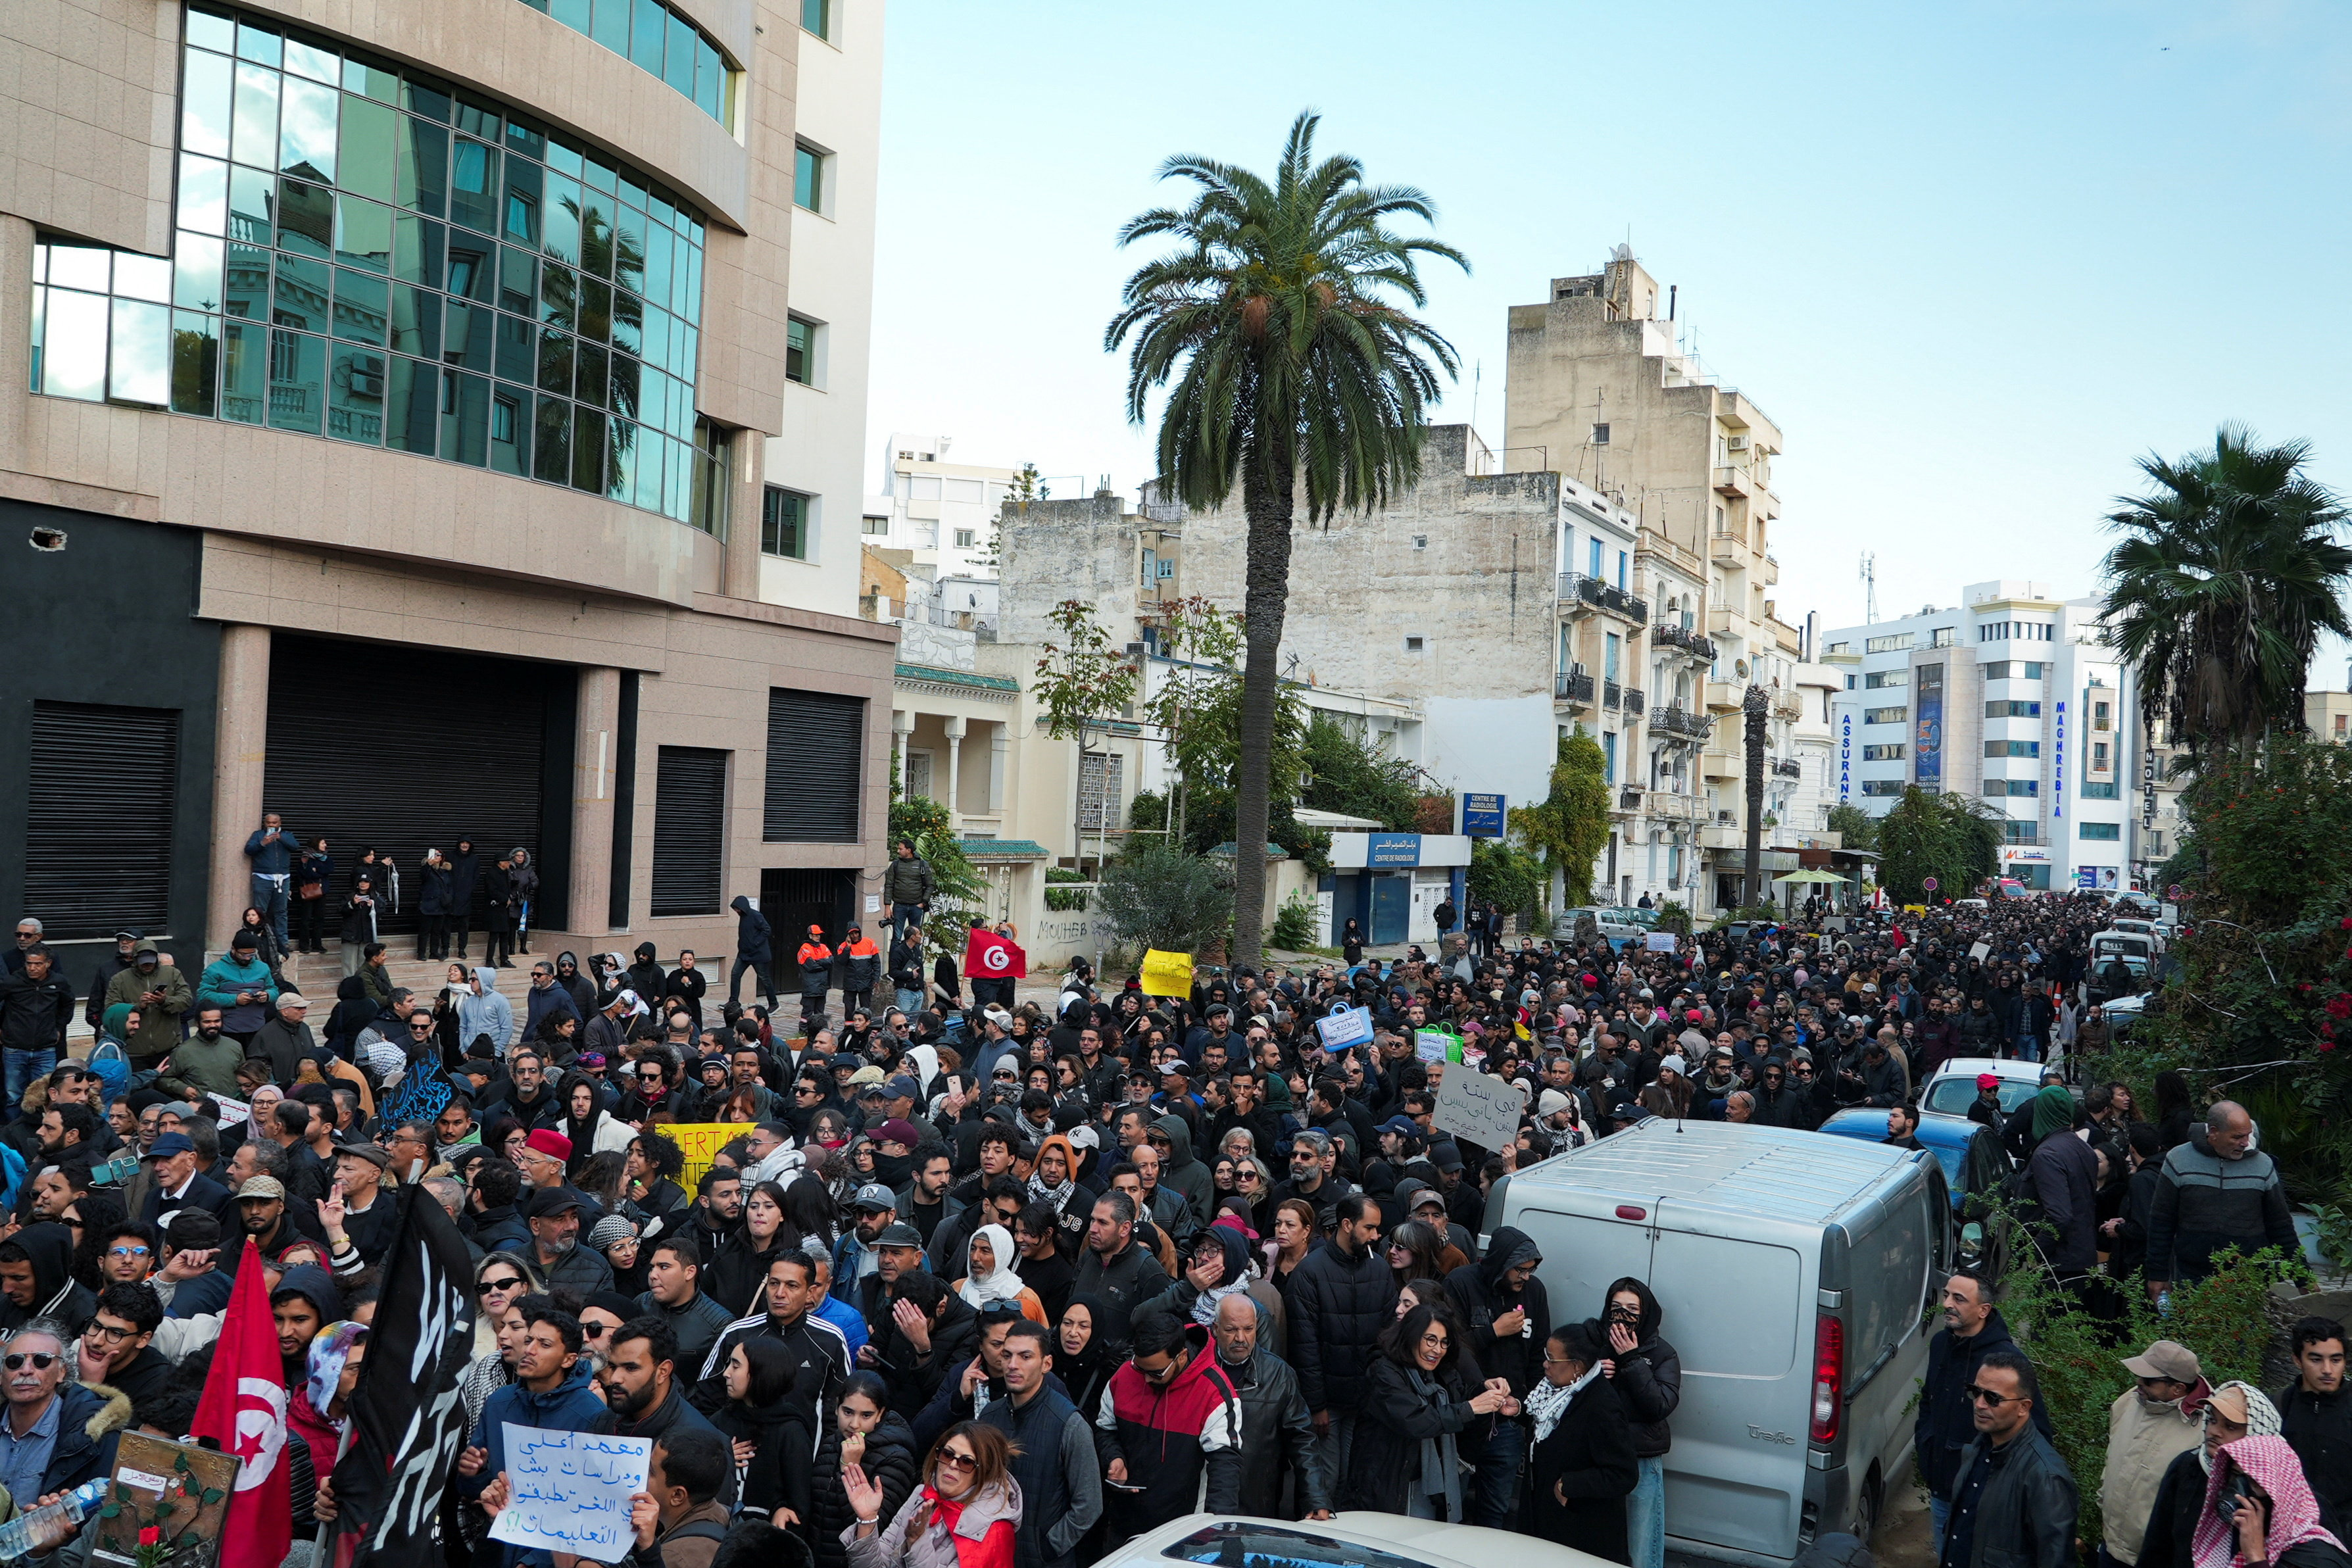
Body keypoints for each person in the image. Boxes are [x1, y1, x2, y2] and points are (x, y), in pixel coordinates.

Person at [1341, 1300, 1516, 1521]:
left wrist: (1487, 1392)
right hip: (1387, 1484)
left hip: (1428, 1484)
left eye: (1444, 1343)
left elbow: (1459, 1403)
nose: (1438, 1350)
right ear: (1411, 1337)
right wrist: (1472, 1407)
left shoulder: (1440, 1371)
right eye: (1431, 1340)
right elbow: (1415, 1420)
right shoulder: (1383, 1371)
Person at [1919, 1270, 2049, 1552]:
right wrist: (1926, 1442)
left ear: (1983, 1310)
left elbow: (2038, 1433)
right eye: (1946, 1295)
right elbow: (1928, 1400)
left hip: (1984, 1500)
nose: (1947, 1304)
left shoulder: (2008, 1363)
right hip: (1943, 1490)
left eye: (1959, 1298)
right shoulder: (1941, 1344)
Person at [1092, 1308, 1242, 1541]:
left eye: (1157, 1373)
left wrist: (1216, 1534)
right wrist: (1114, 1457)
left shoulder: (1214, 1393)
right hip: (1123, 1522)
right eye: (1141, 1369)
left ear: (1181, 1357)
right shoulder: (1125, 1375)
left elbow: (1225, 1470)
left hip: (1181, 1530)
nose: (1147, 1379)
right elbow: (1105, 1429)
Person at [1287, 1192, 1395, 1490]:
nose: (1376, 1235)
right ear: (1347, 1225)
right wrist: (1317, 1404)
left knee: (1353, 1479)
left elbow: (1388, 1334)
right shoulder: (1310, 1274)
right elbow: (1304, 1346)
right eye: (1369, 1228)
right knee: (1325, 1481)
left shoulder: (1380, 1269)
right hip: (1328, 1404)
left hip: (1365, 1401)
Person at [1444, 1223, 1547, 1527]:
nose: (1526, 1277)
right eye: (1520, 1270)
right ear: (1501, 1263)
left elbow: (1539, 1353)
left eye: (1531, 1270)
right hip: (1462, 1418)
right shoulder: (1460, 1284)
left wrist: (1526, 1411)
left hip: (1506, 1423)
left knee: (1496, 1511)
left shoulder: (1535, 1292)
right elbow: (1447, 1348)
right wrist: (1493, 1331)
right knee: (1451, 1508)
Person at [977, 1318, 1102, 1568]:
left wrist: (1048, 1546)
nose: (1012, 1365)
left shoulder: (1069, 1423)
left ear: (1046, 1364)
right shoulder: (989, 1416)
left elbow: (1089, 1504)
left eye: (1025, 1357)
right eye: (1007, 1355)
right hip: (992, 1554)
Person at [2144, 1100, 2298, 1296]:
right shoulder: (2179, 1160)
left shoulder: (2262, 1165)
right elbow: (2161, 1221)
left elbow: (2281, 1225)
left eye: (2248, 1135)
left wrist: (2303, 1276)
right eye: (2238, 1137)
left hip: (2248, 1278)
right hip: (2192, 1277)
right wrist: (2157, 1274)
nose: (2245, 1143)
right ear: (2214, 1133)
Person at [1937, 1349, 2076, 1568]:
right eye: (1976, 1392)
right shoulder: (1980, 1446)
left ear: (2024, 1407)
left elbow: (2055, 1560)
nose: (1979, 1404)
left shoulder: (2045, 1476)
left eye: (1993, 1398)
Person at [1521, 1322, 1639, 1563]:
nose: (1545, 1364)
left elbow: (1623, 1474)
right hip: (1547, 1524)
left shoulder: (1602, 1406)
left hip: (1580, 1535)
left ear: (1576, 1366)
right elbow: (1550, 1427)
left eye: (1552, 1360)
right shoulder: (1555, 1391)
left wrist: (1569, 1485)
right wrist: (1516, 1412)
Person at [1209, 1290, 1330, 1521]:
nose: (1241, 1338)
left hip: (1258, 1495)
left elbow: (1302, 1438)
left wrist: (1316, 1498)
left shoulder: (1279, 1374)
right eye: (1231, 1330)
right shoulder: (1198, 1370)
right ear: (1216, 1330)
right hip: (1206, 1494)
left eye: (1248, 1329)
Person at [2142, 1381, 2283, 1568]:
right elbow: (2157, 1546)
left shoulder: (2276, 1491)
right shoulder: (2187, 1467)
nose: (2215, 1432)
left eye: (2231, 1427)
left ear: (2257, 1435)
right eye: (2212, 1420)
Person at [843, 1419, 1020, 1568]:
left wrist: (917, 1542)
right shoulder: (922, 1494)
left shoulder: (995, 1530)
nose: (952, 1465)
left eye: (966, 1462)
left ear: (985, 1472)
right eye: (947, 1454)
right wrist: (867, 1520)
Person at [2101, 1340, 2209, 1568]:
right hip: (2110, 1549)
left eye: (2148, 1380)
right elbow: (2111, 1458)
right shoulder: (2128, 1402)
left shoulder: (2206, 1430)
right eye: (2139, 1375)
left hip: (2155, 1559)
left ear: (2177, 1389)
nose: (2139, 1383)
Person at [0, 1317, 128, 1507]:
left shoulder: (95, 1436)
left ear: (62, 1372)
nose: (26, 1370)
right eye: (14, 1362)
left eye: (41, 1360)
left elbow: (101, 1518)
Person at [712, 1334, 815, 1528]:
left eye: (736, 1366)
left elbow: (799, 1503)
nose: (726, 1373)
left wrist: (782, 1511)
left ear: (761, 1372)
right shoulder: (722, 1419)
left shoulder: (790, 1430)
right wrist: (720, 1461)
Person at [2202, 1434, 2350, 1568]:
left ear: (2281, 1491)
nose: (2239, 1492)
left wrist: (2256, 1558)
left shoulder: (2317, 1559)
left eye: (2255, 1481)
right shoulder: (2234, 1540)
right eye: (2235, 1475)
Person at [2279, 1317, 2350, 1538]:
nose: (2328, 1370)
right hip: (2291, 1536)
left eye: (2336, 1360)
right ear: (2297, 1360)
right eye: (2316, 1359)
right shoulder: (2278, 1407)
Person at [881, 839, 937, 946]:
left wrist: (922, 903)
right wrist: (887, 906)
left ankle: (914, 962)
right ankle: (894, 962)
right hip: (899, 906)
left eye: (901, 849)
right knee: (896, 937)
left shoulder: (922, 864)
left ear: (909, 850)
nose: (898, 851)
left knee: (915, 937)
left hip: (916, 907)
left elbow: (930, 886)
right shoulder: (895, 865)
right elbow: (889, 885)